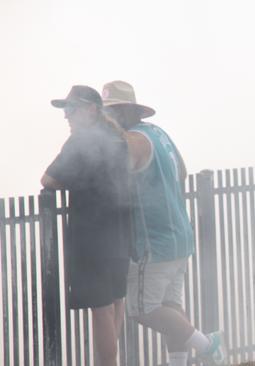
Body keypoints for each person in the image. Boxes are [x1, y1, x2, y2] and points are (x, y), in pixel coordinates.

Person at [101, 80, 225, 365]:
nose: (107, 120)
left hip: (153, 242)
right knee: (170, 307)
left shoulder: (133, 140)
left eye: (111, 113)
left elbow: (114, 175)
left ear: (126, 111)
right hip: (179, 236)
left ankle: (208, 345)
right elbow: (181, 172)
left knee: (142, 310)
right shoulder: (159, 134)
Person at [42, 85, 132, 366]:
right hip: (119, 232)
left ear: (91, 110)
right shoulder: (117, 138)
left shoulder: (81, 142)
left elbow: (48, 180)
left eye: (71, 109)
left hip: (92, 236)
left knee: (101, 309)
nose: (66, 116)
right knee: (116, 301)